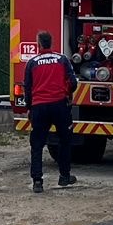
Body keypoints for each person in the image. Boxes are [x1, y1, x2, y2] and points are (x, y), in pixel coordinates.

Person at [18, 30, 78, 193]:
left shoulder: (32, 63)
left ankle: (37, 181)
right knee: (65, 141)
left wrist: (29, 108)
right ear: (51, 43)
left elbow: (28, 89)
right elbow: (73, 82)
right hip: (59, 105)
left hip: (39, 107)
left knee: (37, 144)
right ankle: (64, 176)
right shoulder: (62, 59)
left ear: (38, 44)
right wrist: (66, 93)